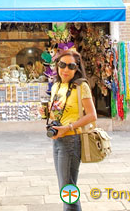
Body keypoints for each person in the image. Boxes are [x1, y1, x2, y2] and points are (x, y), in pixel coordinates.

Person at [47, 49, 97, 210]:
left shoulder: (81, 86)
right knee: (65, 187)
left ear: (76, 68)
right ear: (57, 65)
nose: (66, 69)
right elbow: (56, 112)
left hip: (71, 141)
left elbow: (91, 115)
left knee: (68, 190)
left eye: (71, 66)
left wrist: (68, 127)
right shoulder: (56, 86)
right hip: (58, 140)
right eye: (62, 65)